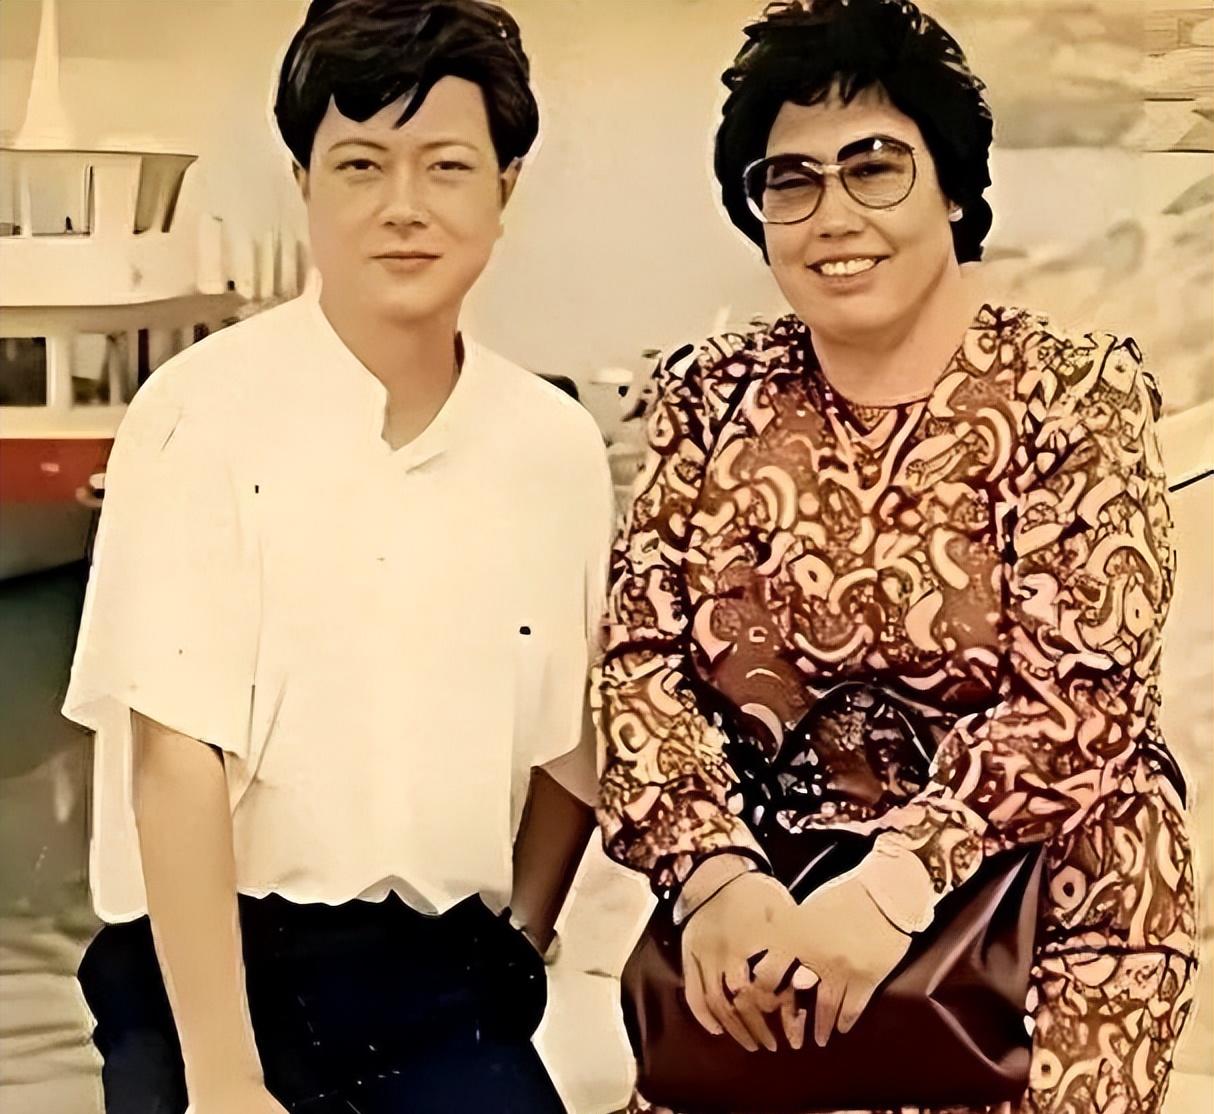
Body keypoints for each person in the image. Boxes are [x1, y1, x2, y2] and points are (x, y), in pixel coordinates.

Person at [593, 2, 1197, 1111]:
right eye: (789, 181)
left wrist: (893, 885)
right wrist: (710, 873)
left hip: (1043, 920)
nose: (833, 216)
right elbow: (640, 666)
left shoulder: (1071, 393)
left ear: (953, 188)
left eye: (874, 168)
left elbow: (1084, 700)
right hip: (769, 919)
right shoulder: (708, 398)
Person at [64, 1, 614, 1111]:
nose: (403, 206)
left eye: (447, 166)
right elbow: (175, 757)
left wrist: (521, 938)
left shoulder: (551, 444)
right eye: (360, 165)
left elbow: (572, 743)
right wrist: (225, 1078)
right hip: (208, 971)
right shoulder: (197, 414)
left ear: (505, 188)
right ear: (303, 183)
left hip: (444, 977)